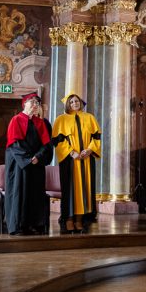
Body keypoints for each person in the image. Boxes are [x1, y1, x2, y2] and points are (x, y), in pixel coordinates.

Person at [52, 93, 102, 234]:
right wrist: (71, 152)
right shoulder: (61, 119)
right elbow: (57, 140)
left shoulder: (90, 118)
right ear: (67, 104)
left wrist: (90, 149)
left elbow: (96, 137)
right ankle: (68, 219)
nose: (75, 103)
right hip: (70, 161)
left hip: (86, 159)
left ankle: (80, 219)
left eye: (77, 101)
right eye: (72, 101)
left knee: (85, 189)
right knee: (70, 189)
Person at [5, 92, 51, 235]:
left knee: (35, 194)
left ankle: (34, 224)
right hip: (20, 165)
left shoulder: (40, 122)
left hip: (36, 164)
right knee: (20, 193)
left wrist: (38, 157)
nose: (35, 105)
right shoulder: (16, 120)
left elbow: (46, 144)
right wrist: (28, 159)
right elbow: (14, 144)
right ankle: (18, 226)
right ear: (24, 104)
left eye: (37, 103)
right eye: (32, 102)